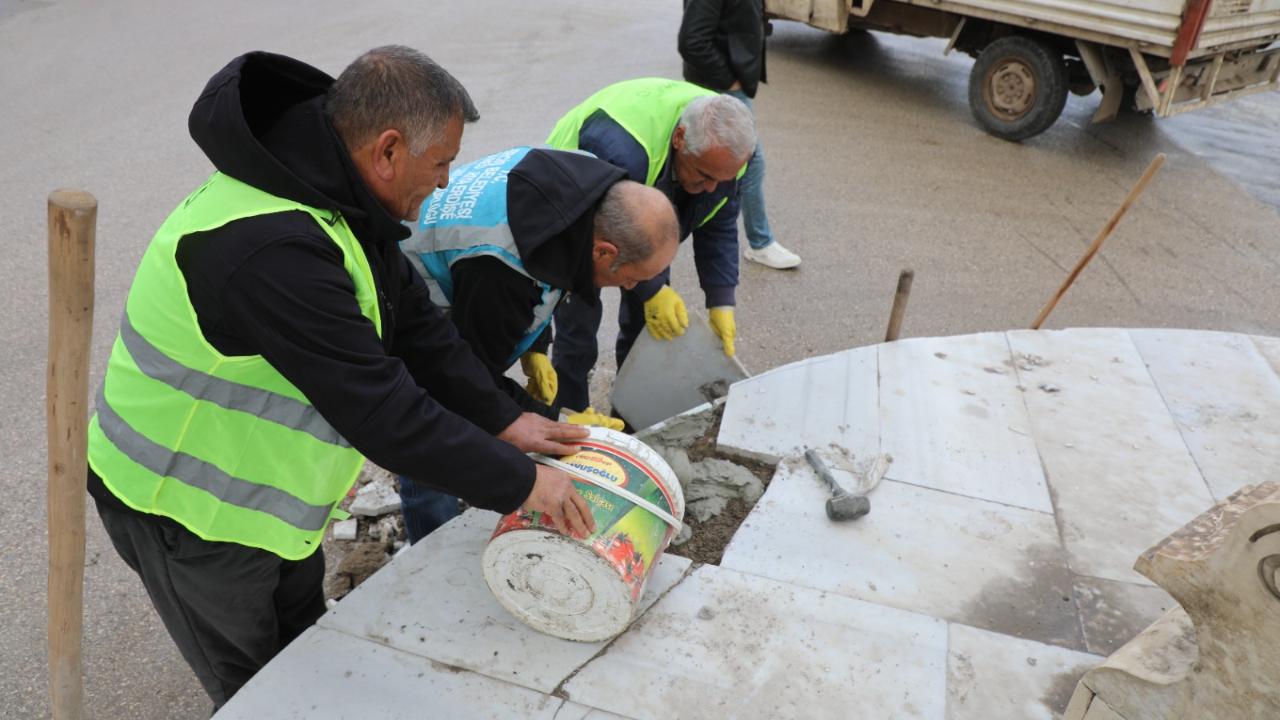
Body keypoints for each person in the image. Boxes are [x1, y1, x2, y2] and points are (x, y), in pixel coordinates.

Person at [85, 46, 595, 711]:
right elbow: (384, 412)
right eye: (439, 163)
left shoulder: (342, 198)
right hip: (186, 514)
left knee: (306, 654)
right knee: (257, 690)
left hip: (272, 508)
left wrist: (506, 415)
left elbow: (417, 328)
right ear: (387, 150)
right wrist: (524, 484)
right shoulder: (268, 249)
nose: (445, 183)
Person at [394, 146, 680, 542]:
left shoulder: (574, 190)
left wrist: (535, 347)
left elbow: (551, 264)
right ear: (604, 251)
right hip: (409, 296)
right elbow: (462, 375)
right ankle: (431, 538)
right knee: (435, 423)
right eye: (632, 278)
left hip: (468, 279)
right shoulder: (499, 272)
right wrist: (549, 418)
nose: (632, 288)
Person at [545, 79, 757, 411]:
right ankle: (570, 412)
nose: (711, 187)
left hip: (651, 188)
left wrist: (721, 301)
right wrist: (653, 288)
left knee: (648, 320)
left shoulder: (728, 156)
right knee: (579, 319)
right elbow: (608, 229)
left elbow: (718, 226)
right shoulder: (618, 147)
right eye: (704, 175)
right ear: (680, 139)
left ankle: (630, 415)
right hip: (581, 200)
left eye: (722, 180)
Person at [679, 0, 802, 270]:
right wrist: (729, 80)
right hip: (721, 87)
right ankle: (760, 243)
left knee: (741, 164)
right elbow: (691, 41)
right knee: (750, 160)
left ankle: (756, 242)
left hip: (731, 84)